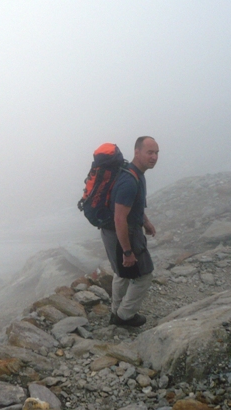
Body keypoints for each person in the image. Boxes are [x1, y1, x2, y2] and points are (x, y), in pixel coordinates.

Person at [100, 136, 159, 327]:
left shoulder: (134, 174)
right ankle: (124, 316)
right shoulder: (129, 181)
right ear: (137, 152)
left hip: (112, 233)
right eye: (150, 152)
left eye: (156, 152)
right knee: (144, 275)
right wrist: (127, 251)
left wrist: (146, 221)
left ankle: (115, 312)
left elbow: (133, 206)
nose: (154, 157)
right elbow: (120, 218)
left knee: (122, 273)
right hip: (123, 233)